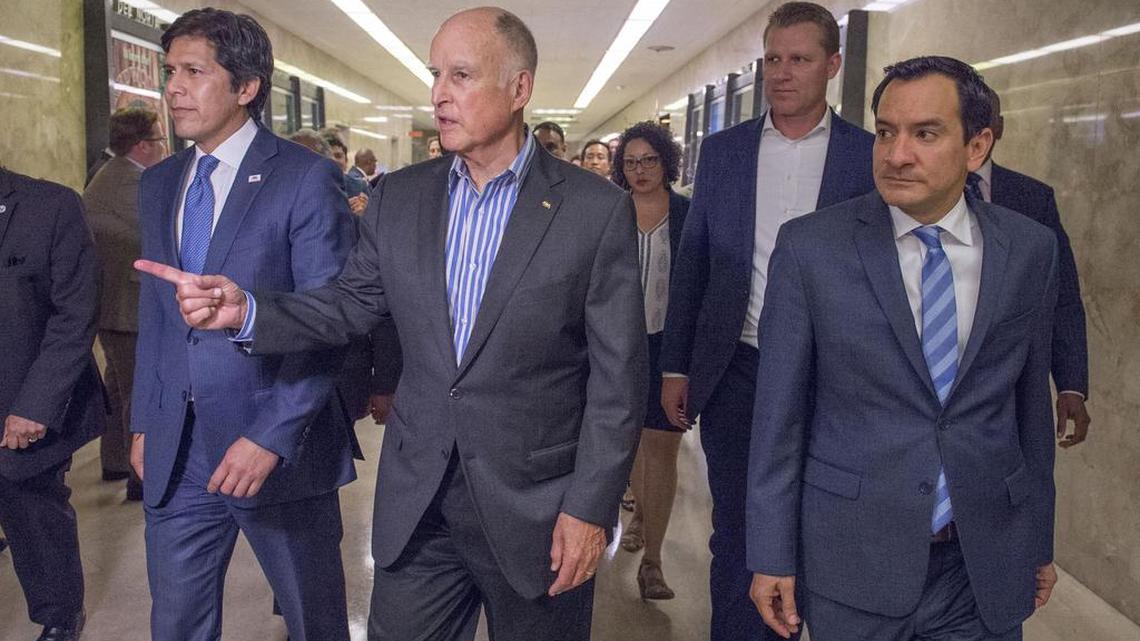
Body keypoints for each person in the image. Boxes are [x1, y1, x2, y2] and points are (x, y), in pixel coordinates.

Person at [135, 7, 647, 640]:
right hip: (419, 501)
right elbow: (347, 304)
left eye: (461, 75)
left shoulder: (593, 211)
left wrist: (589, 508)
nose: (439, 94)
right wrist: (251, 310)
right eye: (436, 74)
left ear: (519, 89)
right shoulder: (402, 197)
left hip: (535, 507)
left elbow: (617, 382)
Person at [748, 55, 1059, 641]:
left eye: (925, 134)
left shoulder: (1029, 251)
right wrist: (771, 552)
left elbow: (1029, 411)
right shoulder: (812, 250)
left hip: (981, 563)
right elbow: (778, 418)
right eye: (886, 132)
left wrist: (1036, 538)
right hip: (853, 557)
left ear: (977, 146)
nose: (896, 154)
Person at [130, 9, 357, 641]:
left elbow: (329, 320)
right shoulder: (160, 184)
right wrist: (147, 420)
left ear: (247, 86)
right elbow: (158, 318)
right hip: (178, 449)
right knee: (176, 623)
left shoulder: (305, 178)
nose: (173, 87)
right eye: (170, 71)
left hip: (273, 445)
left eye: (194, 72)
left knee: (313, 621)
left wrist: (271, 436)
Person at [659, 3, 874, 639]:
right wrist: (677, 364)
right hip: (739, 370)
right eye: (773, 59)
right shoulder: (724, 152)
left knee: (817, 522)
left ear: (833, 65)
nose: (782, 73)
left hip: (833, 377)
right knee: (739, 527)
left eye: (799, 59)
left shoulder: (866, 158)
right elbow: (692, 265)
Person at [0, 166, 105, 641]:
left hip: (23, 395)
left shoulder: (51, 206)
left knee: (31, 507)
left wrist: (37, 405)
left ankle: (60, 615)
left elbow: (75, 315)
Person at [973, 85, 1091, 448]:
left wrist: (1071, 384)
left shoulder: (1033, 198)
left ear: (1000, 128)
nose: (979, 131)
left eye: (987, 121)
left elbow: (1063, 295)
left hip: (1012, 390)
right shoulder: (915, 193)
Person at [610, 121, 688, 600]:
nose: (640, 171)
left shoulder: (687, 215)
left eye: (649, 161)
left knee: (662, 446)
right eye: (631, 162)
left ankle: (653, 562)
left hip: (669, 348)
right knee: (634, 440)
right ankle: (637, 512)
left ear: (666, 163)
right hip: (620, 347)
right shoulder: (610, 212)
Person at [83, 106, 167, 501]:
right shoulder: (130, 183)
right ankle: (141, 477)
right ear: (141, 145)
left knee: (119, 388)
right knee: (138, 390)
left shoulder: (113, 175)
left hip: (115, 303)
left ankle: (116, 460)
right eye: (160, 141)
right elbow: (158, 238)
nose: (164, 148)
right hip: (127, 305)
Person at [322, 128, 370, 211]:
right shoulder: (310, 190)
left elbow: (377, 220)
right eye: (328, 157)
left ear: (346, 160)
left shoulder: (359, 188)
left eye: (338, 156)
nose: (334, 161)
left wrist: (366, 213)